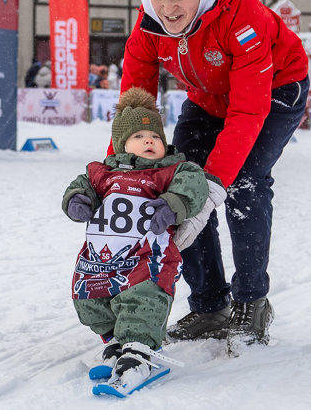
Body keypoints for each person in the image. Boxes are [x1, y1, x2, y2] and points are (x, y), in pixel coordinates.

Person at [117, 0, 309, 350]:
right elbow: (136, 107)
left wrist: (215, 185)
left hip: (275, 91)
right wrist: (122, 175)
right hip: (209, 98)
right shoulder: (149, 22)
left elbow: (248, 111)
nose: (168, 8)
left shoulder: (243, 19)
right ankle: (209, 306)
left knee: (243, 183)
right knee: (179, 182)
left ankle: (251, 302)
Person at [62, 88, 213, 393]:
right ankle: (116, 341)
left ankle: (139, 350)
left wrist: (172, 204)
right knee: (88, 299)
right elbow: (81, 186)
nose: (148, 141)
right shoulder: (101, 173)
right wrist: (78, 199)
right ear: (121, 145)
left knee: (142, 301)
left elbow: (193, 186)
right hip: (100, 259)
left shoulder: (172, 171)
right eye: (139, 136)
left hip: (149, 257)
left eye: (154, 136)